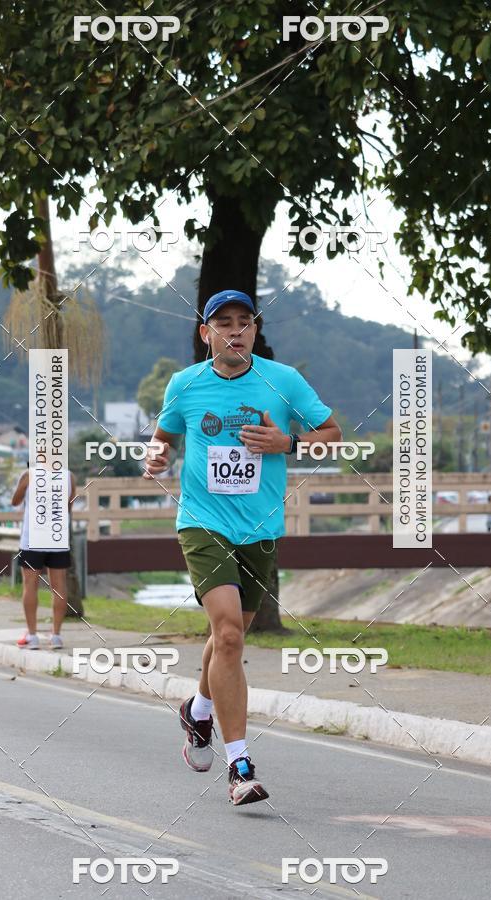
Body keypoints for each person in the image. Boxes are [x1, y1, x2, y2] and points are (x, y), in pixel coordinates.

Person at [144, 289, 341, 805]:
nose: (235, 330)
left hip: (260, 528)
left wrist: (290, 444)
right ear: (205, 334)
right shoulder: (185, 384)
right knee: (229, 634)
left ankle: (199, 711)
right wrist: (156, 457)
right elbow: (163, 436)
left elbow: (334, 434)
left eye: (244, 322)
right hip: (202, 522)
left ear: (254, 331)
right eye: (222, 323)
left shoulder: (283, 381)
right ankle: (240, 766)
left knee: (228, 635)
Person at [11, 465, 76, 650]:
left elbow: (15, 501)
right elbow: (68, 507)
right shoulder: (69, 476)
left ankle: (32, 636)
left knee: (30, 584)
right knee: (59, 586)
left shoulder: (29, 475)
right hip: (58, 538)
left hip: (33, 538)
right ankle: (56, 636)